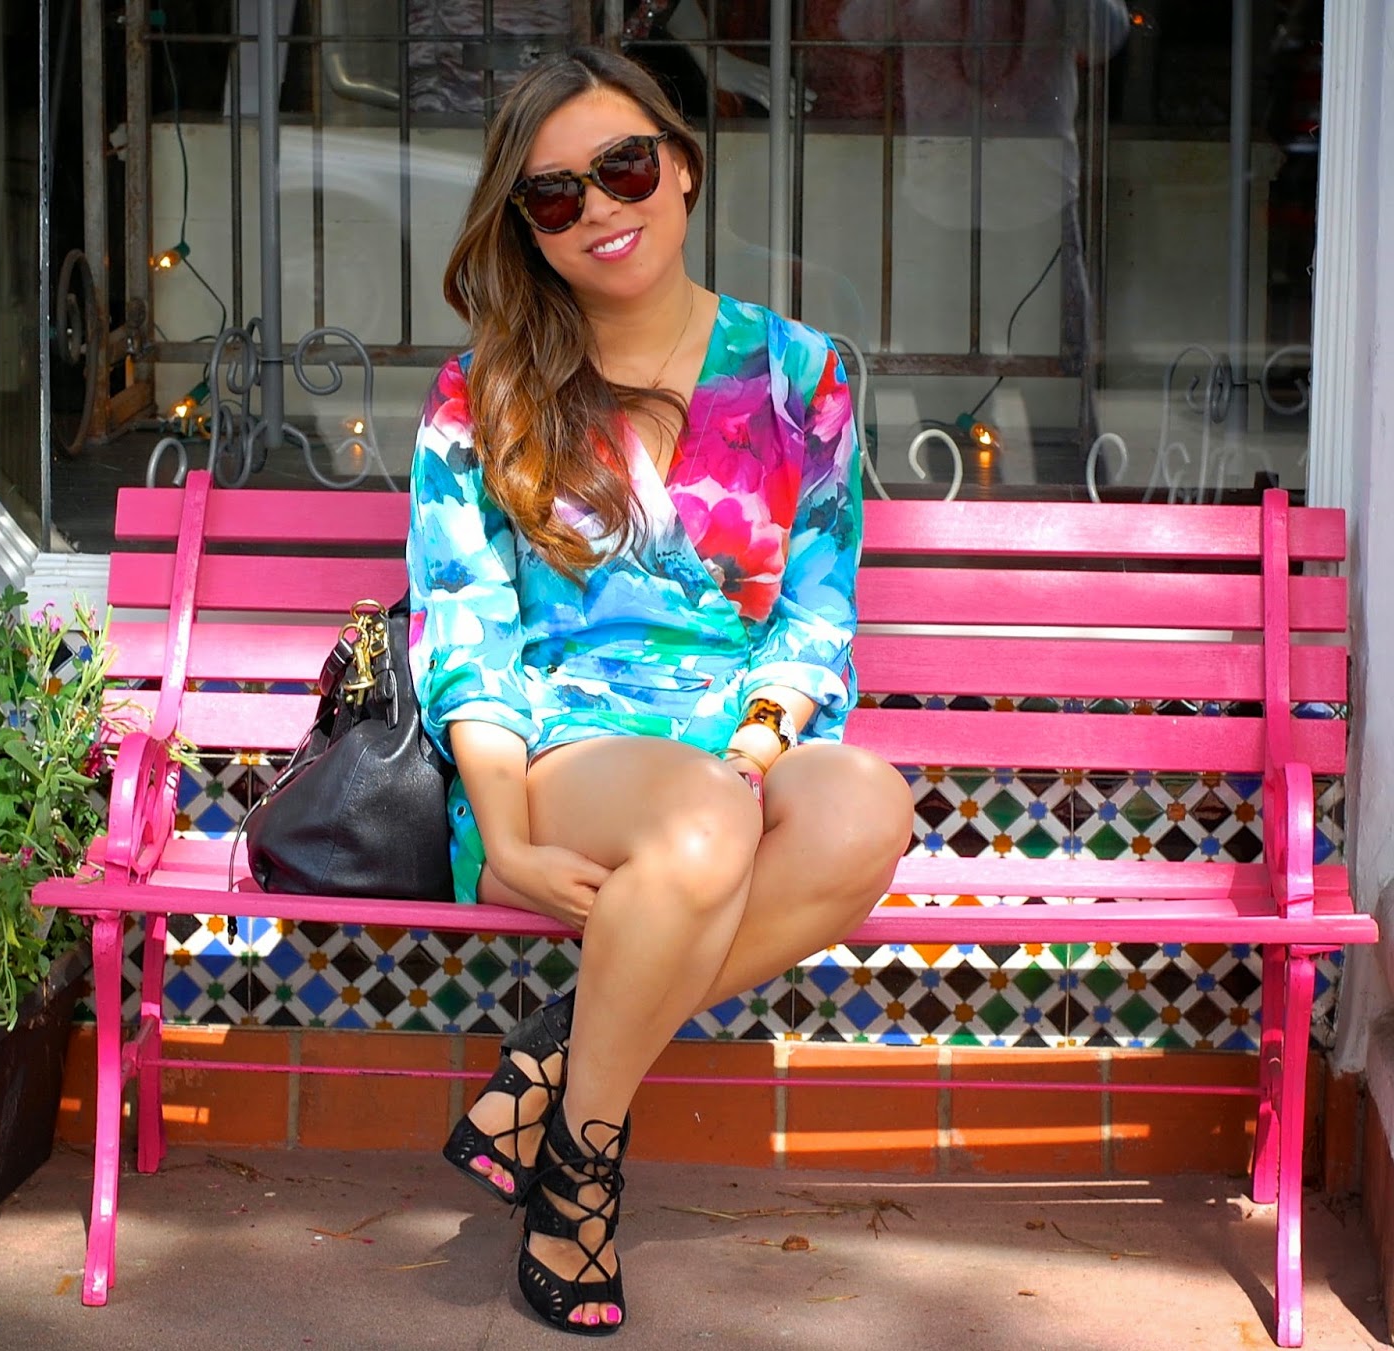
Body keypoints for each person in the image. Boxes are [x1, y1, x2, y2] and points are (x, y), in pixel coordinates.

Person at [405, 45, 913, 1337]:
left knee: (866, 806)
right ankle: (583, 1180)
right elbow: (466, 630)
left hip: (735, 747)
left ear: (681, 167)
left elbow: (815, 611)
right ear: (528, 225)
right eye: (554, 193)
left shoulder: (801, 375)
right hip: (559, 755)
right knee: (700, 820)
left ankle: (551, 1075)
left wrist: (755, 748)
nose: (598, 208)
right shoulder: (486, 392)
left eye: (623, 167)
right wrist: (507, 836)